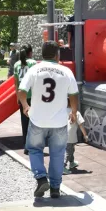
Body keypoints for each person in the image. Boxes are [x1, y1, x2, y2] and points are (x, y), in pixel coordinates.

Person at [18, 41, 79, 199]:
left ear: (42, 54)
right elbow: (73, 94)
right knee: (57, 153)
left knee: (35, 149)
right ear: (57, 54)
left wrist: (25, 106)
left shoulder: (34, 70)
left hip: (37, 119)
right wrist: (74, 111)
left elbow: (22, 90)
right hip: (59, 121)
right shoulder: (66, 71)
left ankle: (40, 178)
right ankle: (55, 188)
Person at [14, 44, 37, 155]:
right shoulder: (33, 63)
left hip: (22, 96)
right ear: (30, 53)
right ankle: (33, 145)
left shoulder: (17, 65)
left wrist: (17, 97)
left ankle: (26, 145)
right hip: (32, 96)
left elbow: (16, 83)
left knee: (24, 122)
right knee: (34, 122)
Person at [64, 98, 88, 175]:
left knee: (71, 149)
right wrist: (85, 135)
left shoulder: (63, 111)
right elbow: (81, 125)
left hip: (62, 134)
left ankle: (72, 162)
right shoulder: (76, 113)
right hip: (70, 136)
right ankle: (62, 167)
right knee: (68, 152)